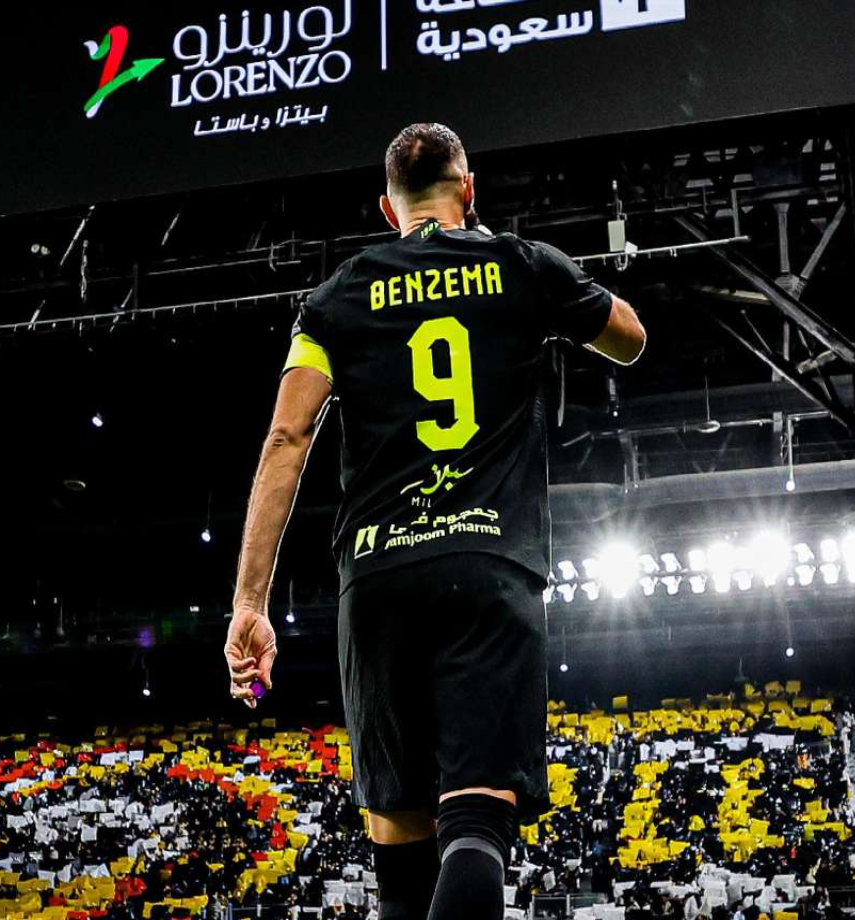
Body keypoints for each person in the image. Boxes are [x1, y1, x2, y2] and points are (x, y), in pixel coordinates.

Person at [224, 123, 645, 920]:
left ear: (389, 209)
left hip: (379, 575)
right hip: (488, 566)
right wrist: (538, 289)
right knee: (475, 825)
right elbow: (629, 338)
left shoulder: (336, 298)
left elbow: (286, 437)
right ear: (469, 189)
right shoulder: (521, 265)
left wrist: (250, 603)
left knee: (401, 857)